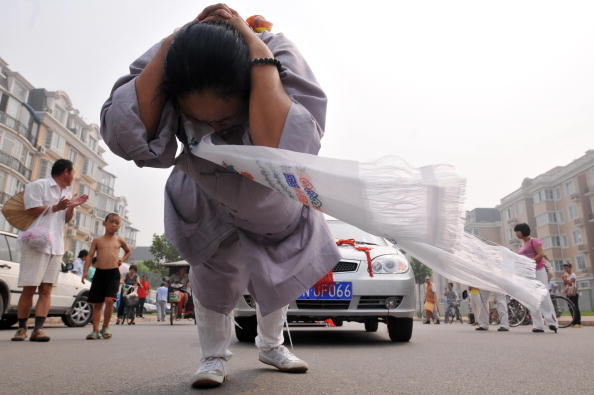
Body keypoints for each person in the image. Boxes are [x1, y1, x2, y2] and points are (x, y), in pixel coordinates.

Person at [101, 5, 340, 388]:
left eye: (224, 120)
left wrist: (254, 45)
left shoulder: (275, 50)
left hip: (269, 199)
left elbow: (293, 145)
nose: (213, 126)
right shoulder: (172, 57)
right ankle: (212, 357)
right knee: (212, 277)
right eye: (202, 119)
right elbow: (128, 136)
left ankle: (271, 345)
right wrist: (170, 46)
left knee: (275, 272)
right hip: (206, 195)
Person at [11, 159, 88, 342]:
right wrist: (56, 207)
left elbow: (66, 220)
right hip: (36, 243)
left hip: (56, 245)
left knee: (46, 289)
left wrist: (71, 207)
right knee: (29, 287)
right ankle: (22, 328)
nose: (73, 177)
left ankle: (38, 329)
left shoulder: (67, 192)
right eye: (73, 173)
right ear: (66, 172)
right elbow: (30, 209)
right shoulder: (39, 185)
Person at [83, 213, 132, 339]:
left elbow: (128, 251)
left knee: (109, 301)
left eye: (117, 223)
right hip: (100, 273)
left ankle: (105, 328)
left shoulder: (119, 240)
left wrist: (122, 259)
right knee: (97, 303)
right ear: (104, 223)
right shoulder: (97, 240)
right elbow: (89, 256)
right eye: (111, 222)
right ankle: (95, 330)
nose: (114, 225)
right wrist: (85, 271)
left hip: (113, 273)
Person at [514, 223, 558, 333]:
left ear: (522, 231)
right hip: (527, 274)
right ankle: (538, 325)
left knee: (543, 295)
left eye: (517, 231)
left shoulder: (534, 241)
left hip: (538, 270)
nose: (515, 233)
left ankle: (552, 322)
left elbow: (541, 254)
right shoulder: (522, 246)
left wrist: (529, 262)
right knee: (531, 298)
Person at [562, 263, 581, 328]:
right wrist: (564, 280)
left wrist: (565, 279)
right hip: (568, 293)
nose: (565, 269)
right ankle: (573, 322)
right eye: (564, 268)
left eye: (566, 268)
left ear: (570, 268)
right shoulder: (566, 275)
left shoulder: (573, 275)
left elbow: (571, 284)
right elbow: (565, 284)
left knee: (575, 307)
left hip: (574, 293)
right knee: (571, 308)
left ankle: (578, 322)